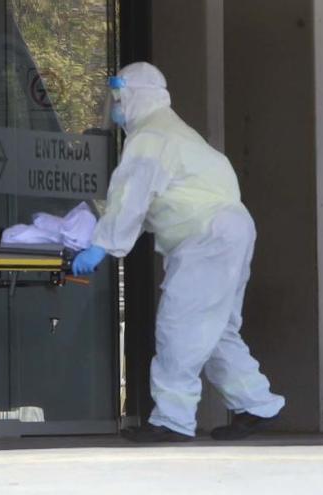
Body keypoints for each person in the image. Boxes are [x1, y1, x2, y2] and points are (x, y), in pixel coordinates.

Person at [73, 62, 285, 442]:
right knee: (216, 325)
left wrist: (102, 244)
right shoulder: (179, 134)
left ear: (134, 96)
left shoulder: (150, 138)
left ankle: (172, 418)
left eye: (119, 99)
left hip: (205, 235)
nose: (116, 108)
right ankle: (255, 402)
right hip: (229, 228)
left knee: (180, 324)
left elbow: (130, 198)